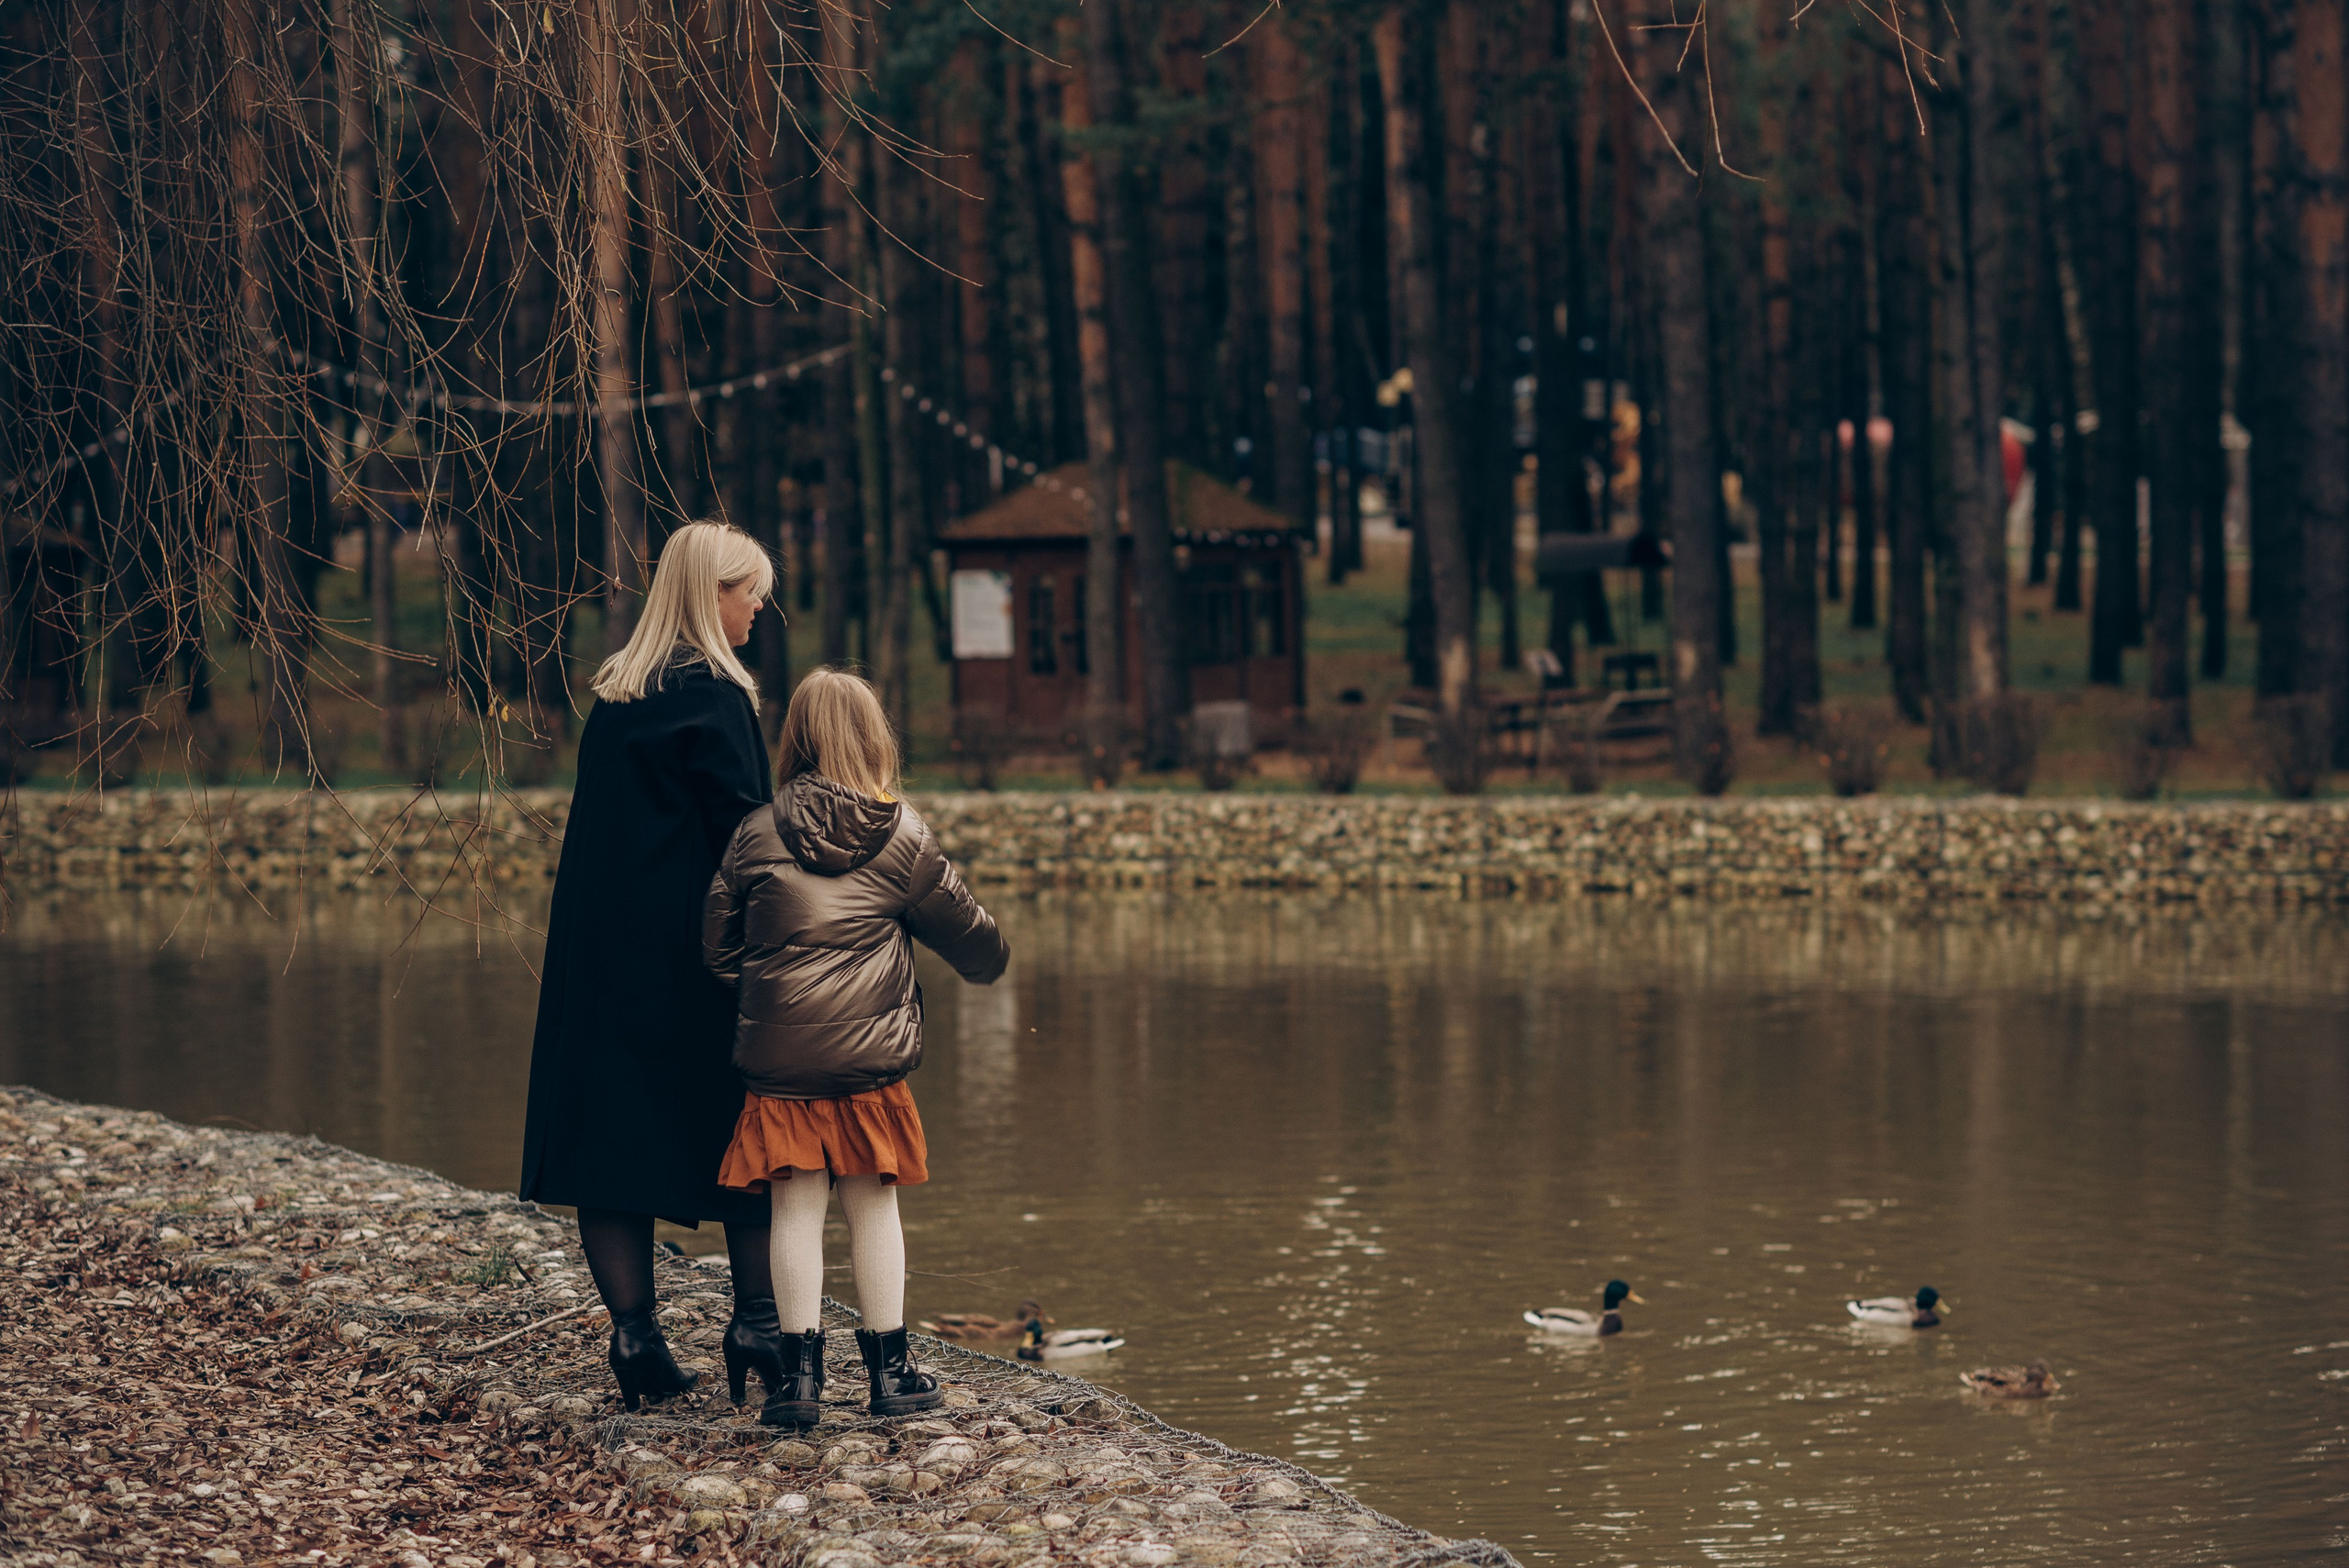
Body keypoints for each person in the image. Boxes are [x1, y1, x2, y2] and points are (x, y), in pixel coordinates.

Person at [518, 521, 782, 1412]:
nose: (759, 606)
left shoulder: (620, 695)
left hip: (602, 952)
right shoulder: (717, 697)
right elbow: (749, 837)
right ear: (712, 593)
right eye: (749, 590)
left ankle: (637, 1341)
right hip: (697, 959)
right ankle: (757, 1321)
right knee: (750, 1127)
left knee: (611, 1145)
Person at [703, 668, 1008, 1429]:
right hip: (870, 1064)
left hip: (780, 1068)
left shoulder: (755, 832)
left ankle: (798, 1380)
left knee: (795, 1212)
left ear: (796, 739)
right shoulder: (901, 835)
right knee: (874, 1209)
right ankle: (890, 1372)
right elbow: (975, 941)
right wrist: (987, 963)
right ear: (874, 738)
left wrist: (774, 995)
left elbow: (716, 949)